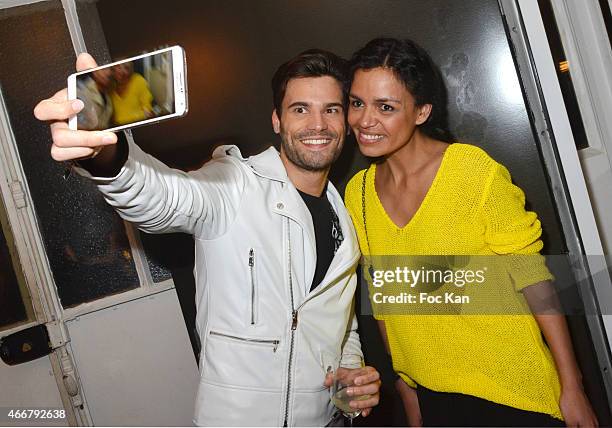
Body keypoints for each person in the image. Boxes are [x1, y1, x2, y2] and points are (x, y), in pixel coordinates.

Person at [33, 50, 381, 426]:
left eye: (331, 110)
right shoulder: (234, 184)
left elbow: (339, 325)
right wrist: (109, 157)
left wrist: (350, 375)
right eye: (300, 109)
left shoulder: (343, 218)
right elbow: (165, 198)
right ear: (277, 121)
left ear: (345, 121)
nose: (318, 124)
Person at [343, 38, 598, 427]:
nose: (364, 120)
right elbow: (384, 293)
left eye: (386, 107)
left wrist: (572, 385)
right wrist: (406, 386)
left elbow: (532, 277)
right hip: (434, 396)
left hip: (513, 392)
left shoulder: (471, 172)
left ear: (422, 111)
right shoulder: (358, 191)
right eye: (357, 102)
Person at [109, 61, 153, 125]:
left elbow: (148, 111)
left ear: (131, 70)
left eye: (126, 68)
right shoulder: (108, 85)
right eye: (118, 66)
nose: (122, 72)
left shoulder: (138, 80)